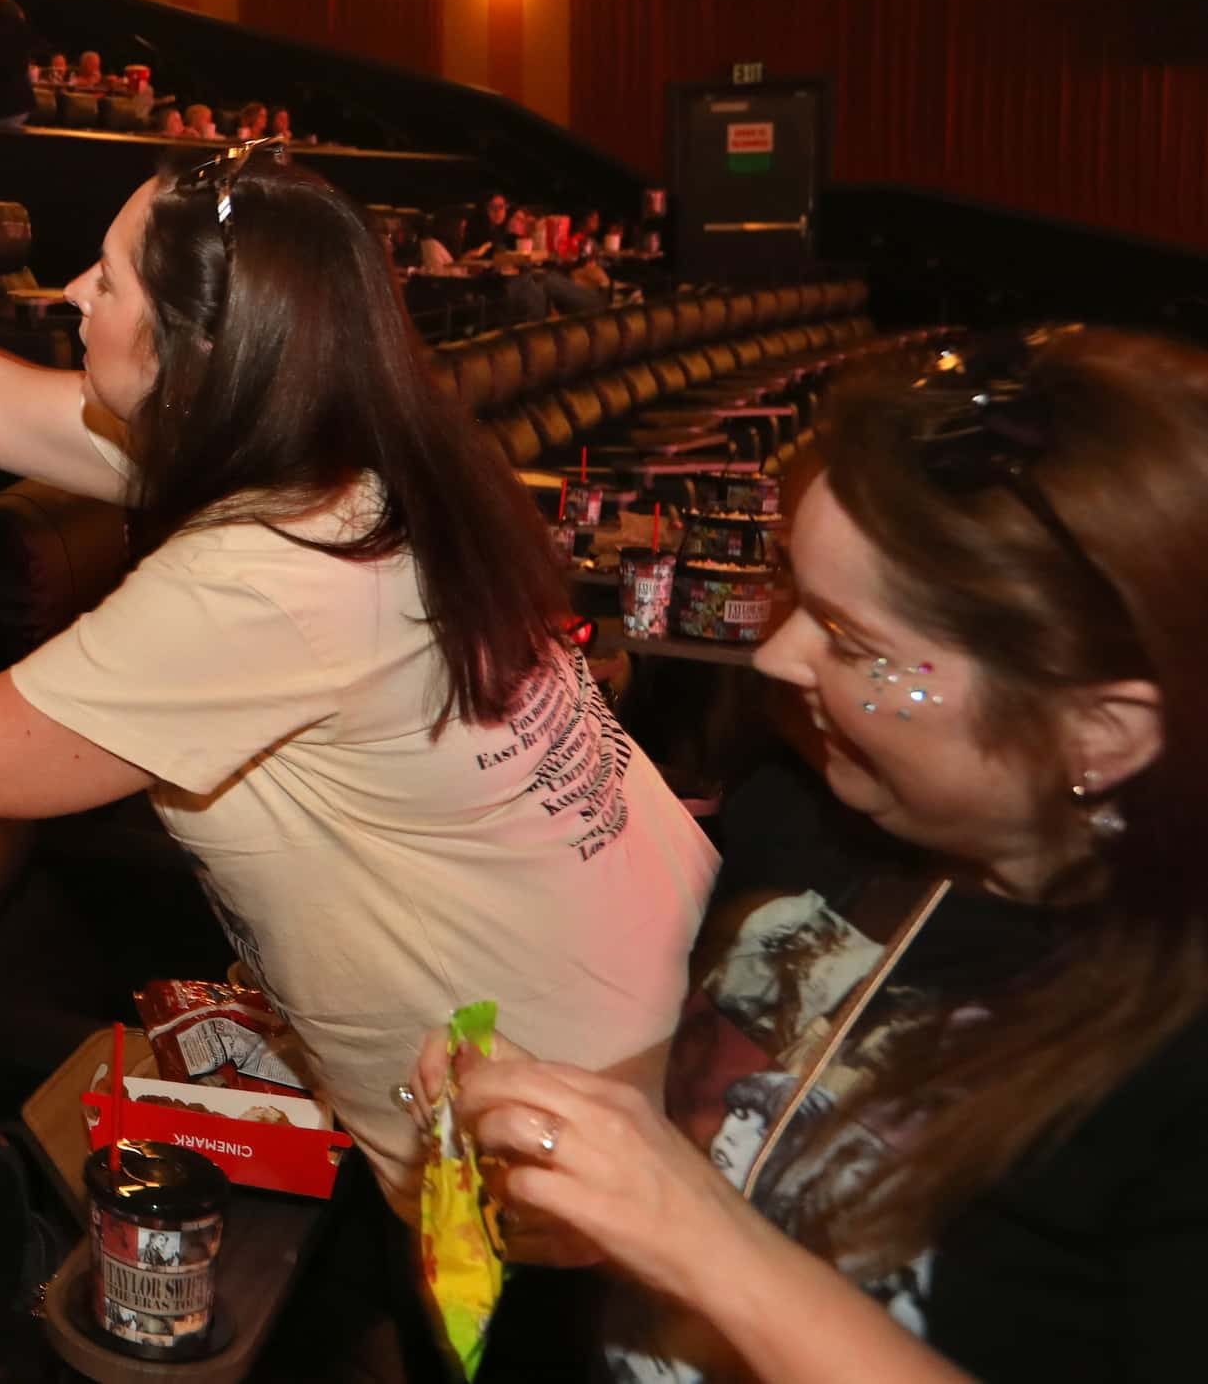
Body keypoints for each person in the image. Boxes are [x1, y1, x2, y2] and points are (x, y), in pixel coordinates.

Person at [0, 147, 717, 1213]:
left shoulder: (271, 569)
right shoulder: (331, 444)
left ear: (196, 350)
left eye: (113, 277)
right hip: (641, 1009)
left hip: (563, 1127)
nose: (74, 292)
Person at [418, 328, 1208, 1384]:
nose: (776, 655)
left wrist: (700, 1239)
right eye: (795, 595)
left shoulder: (1175, 1065)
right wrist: (565, 1130)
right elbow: (725, 1066)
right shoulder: (808, 808)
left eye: (853, 642)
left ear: (1097, 733)